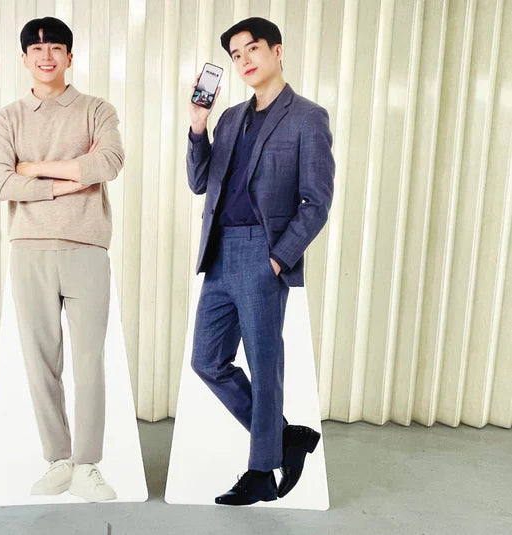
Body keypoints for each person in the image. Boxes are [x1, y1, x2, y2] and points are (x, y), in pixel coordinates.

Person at [186, 17, 334, 505]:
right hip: (219, 251)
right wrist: (198, 125)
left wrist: (277, 259)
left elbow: (317, 202)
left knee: (264, 365)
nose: (244, 60)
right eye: (235, 55)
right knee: (208, 360)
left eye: (252, 49)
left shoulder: (307, 117)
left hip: (261, 252)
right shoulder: (229, 118)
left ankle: (260, 471)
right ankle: (286, 437)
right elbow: (200, 182)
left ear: (277, 51)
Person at [0, 17, 124, 502]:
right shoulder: (7, 118)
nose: (46, 56)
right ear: (24, 58)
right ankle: (58, 460)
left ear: (70, 56)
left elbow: (109, 163)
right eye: (37, 49)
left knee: (89, 361)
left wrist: (36, 169)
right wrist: (72, 179)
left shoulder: (96, 110)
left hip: (87, 247)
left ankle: (88, 465)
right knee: (40, 361)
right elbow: (0, 182)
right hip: (29, 249)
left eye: (56, 48)